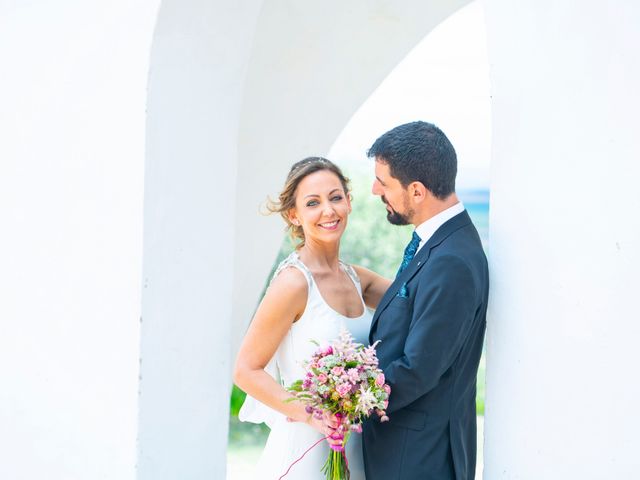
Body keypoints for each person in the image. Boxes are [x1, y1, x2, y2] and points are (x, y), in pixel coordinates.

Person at [233, 157, 390, 479]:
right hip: (305, 451)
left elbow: (420, 299)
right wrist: (312, 414)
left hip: (356, 449)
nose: (328, 211)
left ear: (348, 201)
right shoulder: (293, 283)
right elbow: (246, 370)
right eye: (313, 203)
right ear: (294, 215)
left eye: (335, 197)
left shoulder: (358, 279)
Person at [362, 121, 489, 480]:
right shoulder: (441, 240)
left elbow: (417, 369)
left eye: (383, 182)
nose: (374, 190)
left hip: (418, 460)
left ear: (416, 191)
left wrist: (348, 399)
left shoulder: (451, 260)